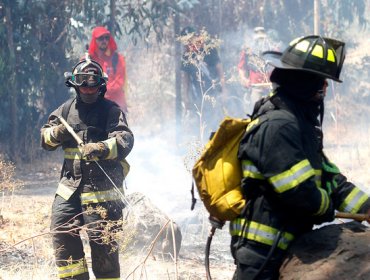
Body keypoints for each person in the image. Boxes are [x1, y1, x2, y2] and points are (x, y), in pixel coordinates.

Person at [230, 35, 370, 279]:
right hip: (262, 253)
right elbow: (300, 192)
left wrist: (367, 208)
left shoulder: (299, 124)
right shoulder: (279, 126)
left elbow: (330, 179)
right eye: (321, 81)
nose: (325, 88)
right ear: (304, 82)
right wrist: (326, 209)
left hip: (290, 247)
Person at [41, 57, 134, 280]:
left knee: (104, 249)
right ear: (74, 83)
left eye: (93, 82)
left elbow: (125, 139)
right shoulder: (64, 111)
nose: (88, 86)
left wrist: (101, 147)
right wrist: (56, 133)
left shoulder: (111, 111)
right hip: (70, 189)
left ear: (100, 84)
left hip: (102, 194)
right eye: (83, 81)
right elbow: (45, 139)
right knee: (61, 231)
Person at [180, 26, 226, 139]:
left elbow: (220, 71)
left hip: (214, 93)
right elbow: (185, 81)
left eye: (190, 39)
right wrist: (186, 98)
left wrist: (224, 91)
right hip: (198, 97)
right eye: (186, 41)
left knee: (216, 124)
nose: (189, 43)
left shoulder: (209, 50)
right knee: (200, 125)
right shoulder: (186, 56)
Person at [88, 26, 128, 113]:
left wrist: (101, 92)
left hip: (116, 106)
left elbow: (119, 82)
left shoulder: (118, 59)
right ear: (95, 40)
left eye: (106, 38)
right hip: (95, 106)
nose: (104, 41)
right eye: (101, 38)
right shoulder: (88, 60)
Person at [237, 27, 273, 113]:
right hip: (256, 87)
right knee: (257, 111)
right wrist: (244, 79)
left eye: (262, 37)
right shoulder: (248, 52)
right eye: (258, 37)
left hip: (271, 87)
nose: (260, 40)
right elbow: (241, 68)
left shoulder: (272, 48)